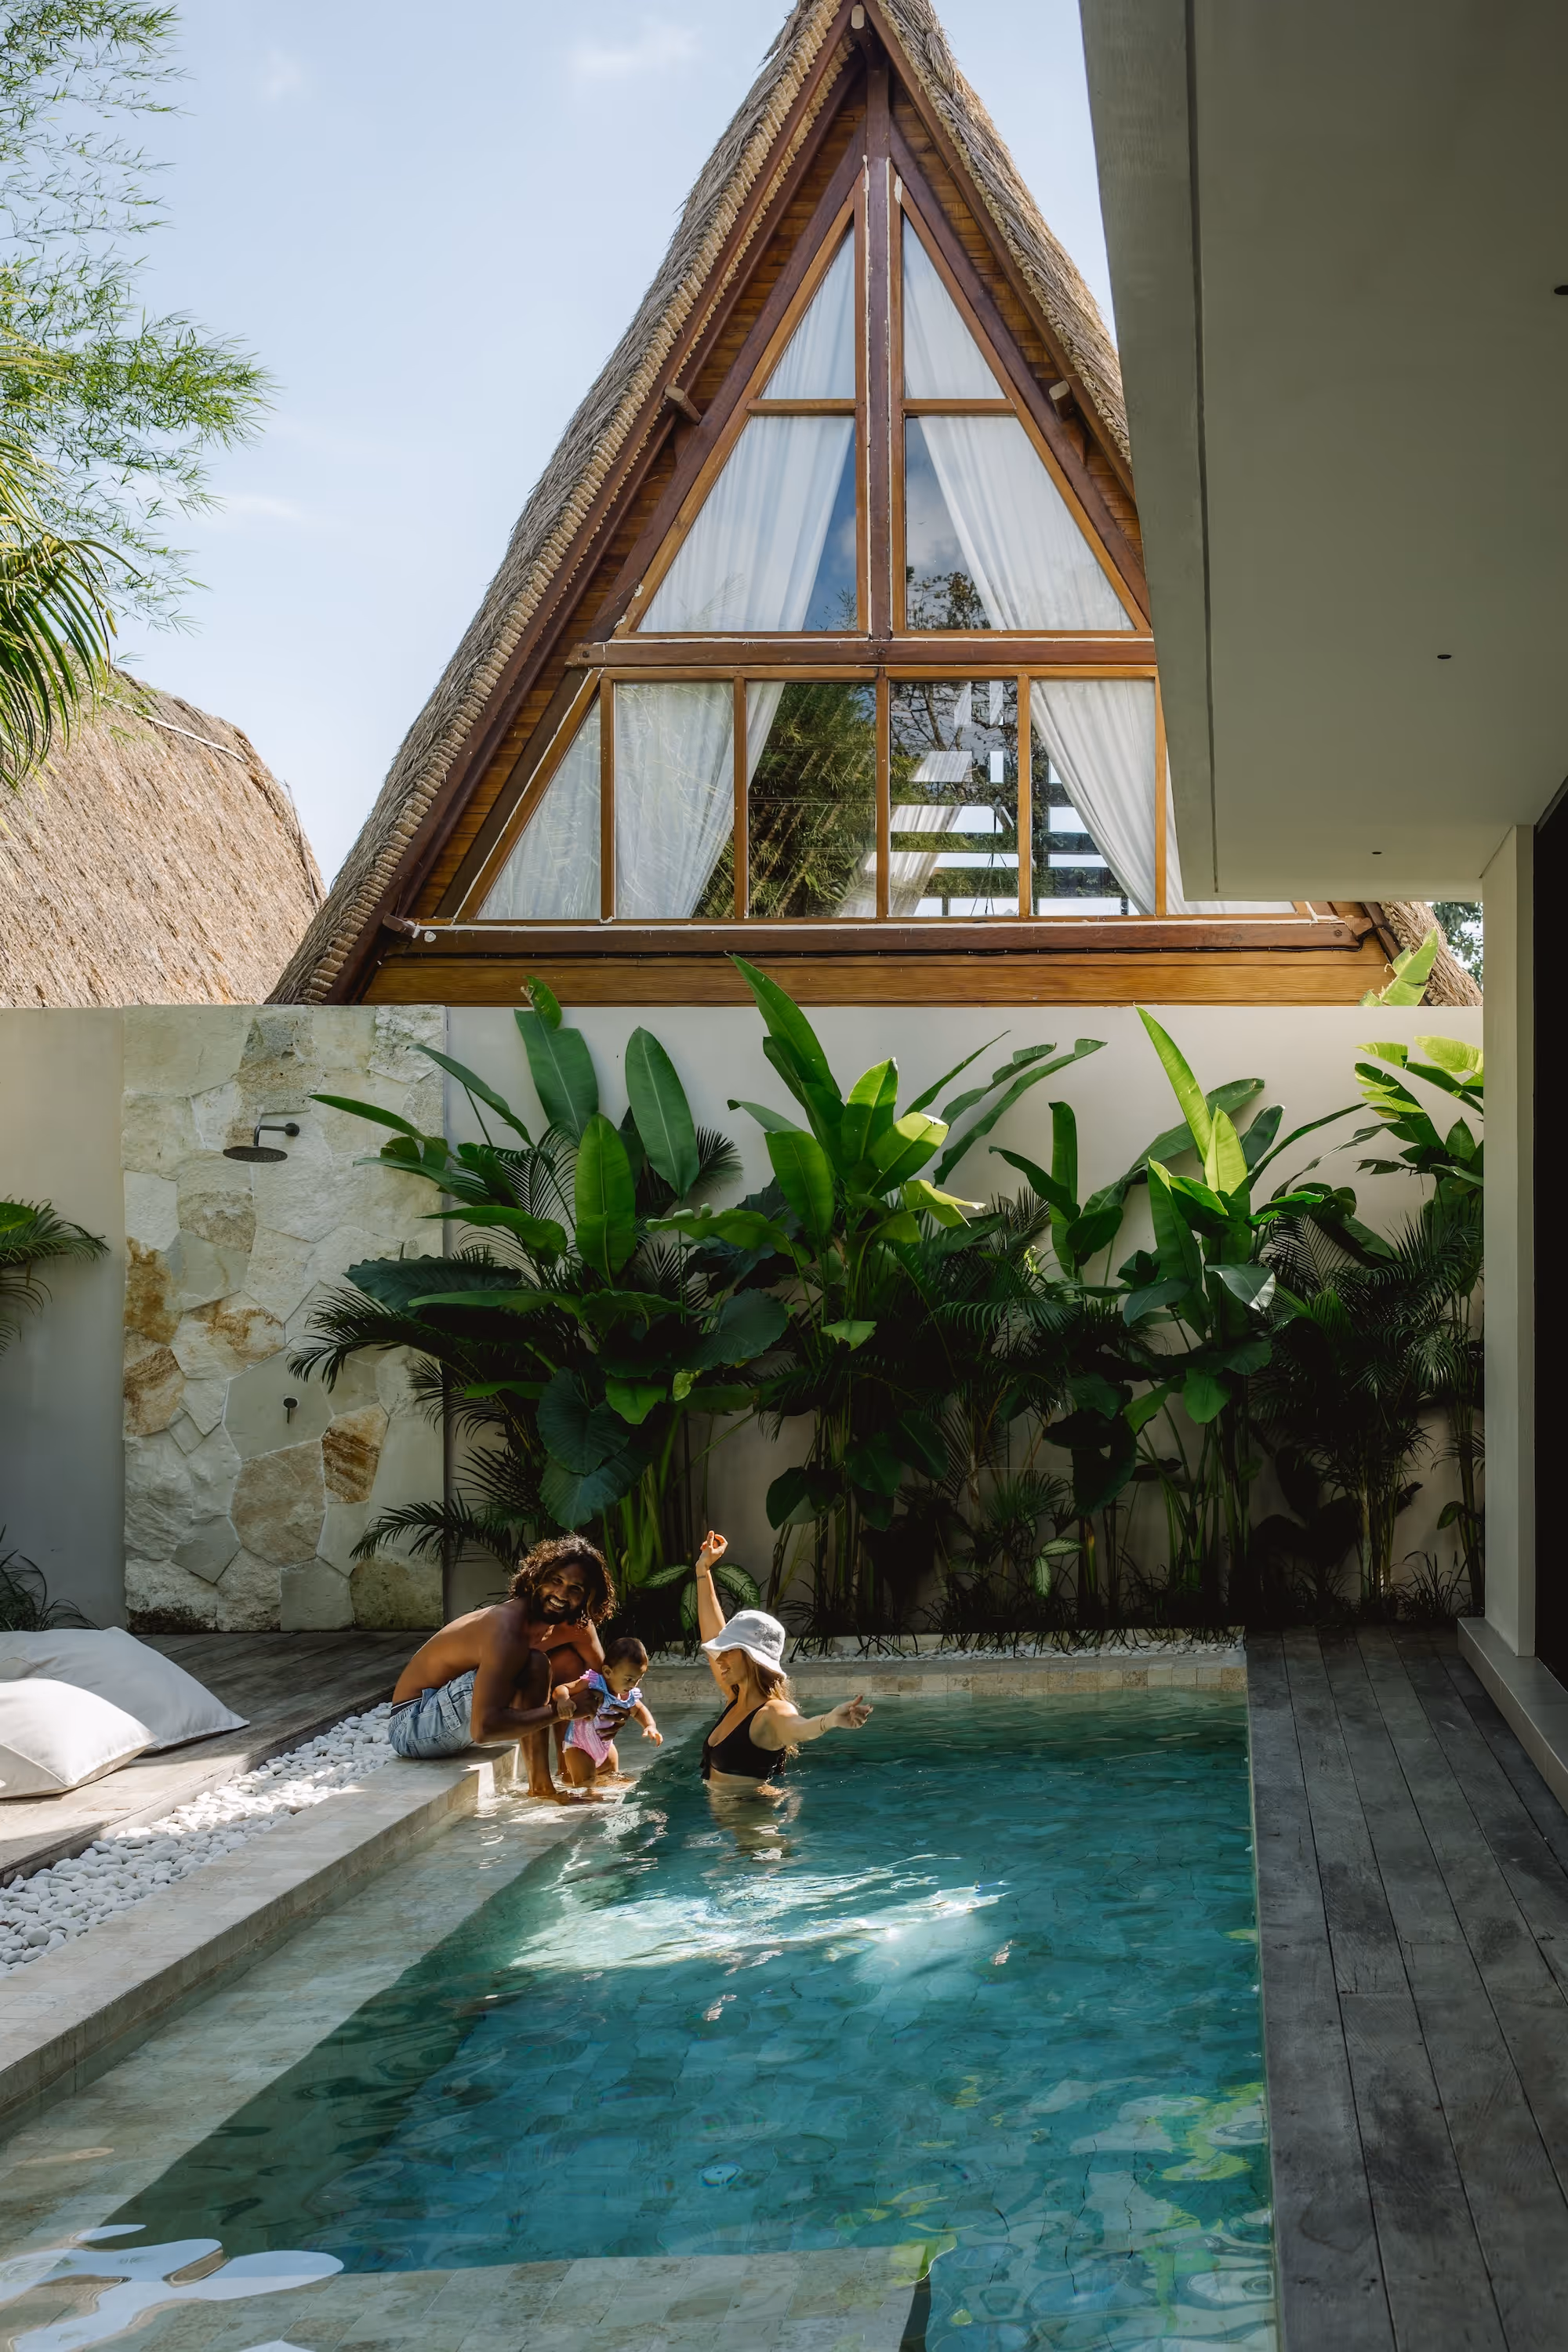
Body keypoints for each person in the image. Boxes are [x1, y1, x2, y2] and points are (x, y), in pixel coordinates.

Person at [388, 1536, 614, 1801]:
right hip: (413, 1725)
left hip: (451, 1718)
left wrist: (610, 1723)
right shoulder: (507, 1627)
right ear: (537, 1579)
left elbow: (607, 1682)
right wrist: (563, 1711)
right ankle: (541, 1787)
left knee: (570, 1664)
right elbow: (484, 1730)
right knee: (534, 1665)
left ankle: (567, 1770)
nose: (562, 1595)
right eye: (556, 1581)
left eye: (576, 1589)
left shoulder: (575, 1626)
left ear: (588, 1598)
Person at [694, 1530, 872, 1791]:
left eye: (728, 1650)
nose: (719, 1658)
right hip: (729, 1826)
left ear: (752, 1658)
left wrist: (830, 1720)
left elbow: (798, 1728)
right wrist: (703, 1570)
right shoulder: (736, 1697)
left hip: (755, 1827)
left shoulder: (772, 1712)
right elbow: (711, 1629)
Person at [560, 1635, 662, 1792]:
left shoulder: (628, 1695)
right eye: (628, 1679)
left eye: (638, 1679)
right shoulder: (594, 1683)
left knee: (611, 1778)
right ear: (608, 1672)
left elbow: (639, 1710)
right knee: (585, 1784)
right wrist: (564, 1700)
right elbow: (564, 1688)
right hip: (579, 1745)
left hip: (605, 1746)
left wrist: (650, 1726)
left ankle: (568, 1779)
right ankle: (580, 1792)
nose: (633, 1684)